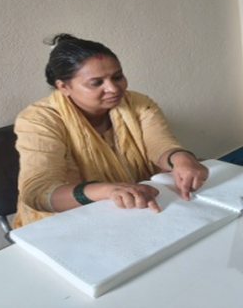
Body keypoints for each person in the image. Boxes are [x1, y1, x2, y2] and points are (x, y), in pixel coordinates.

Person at [13, 34, 208, 228]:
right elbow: (39, 193)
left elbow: (159, 144)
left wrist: (181, 158)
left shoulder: (138, 103)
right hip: (65, 224)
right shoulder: (38, 120)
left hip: (135, 210)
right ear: (63, 86)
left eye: (117, 77)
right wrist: (107, 190)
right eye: (96, 83)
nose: (113, 89)